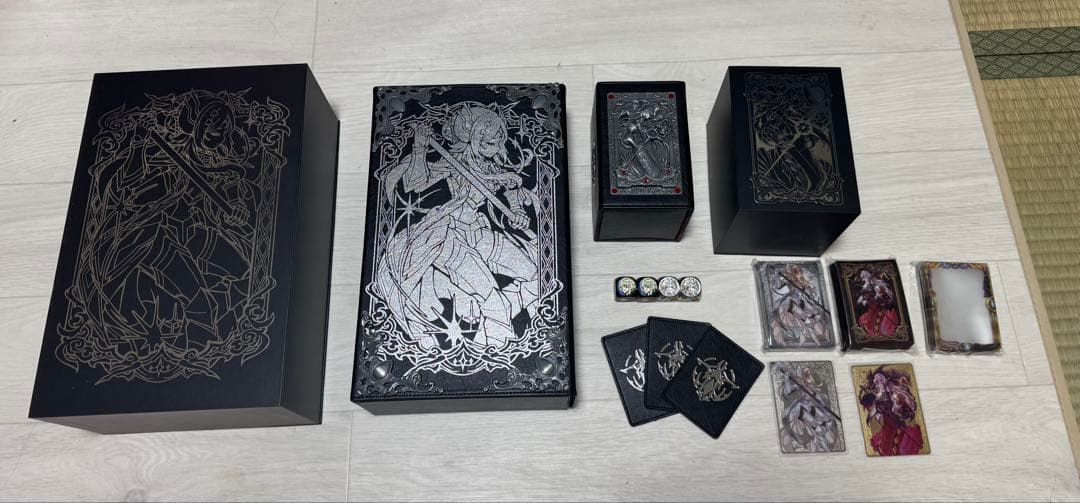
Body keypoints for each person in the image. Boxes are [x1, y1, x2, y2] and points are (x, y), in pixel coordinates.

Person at [374, 103, 539, 351]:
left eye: (498, 142)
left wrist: (518, 214)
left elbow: (511, 190)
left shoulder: (490, 166)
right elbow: (414, 184)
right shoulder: (450, 163)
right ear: (472, 138)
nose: (497, 148)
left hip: (478, 231)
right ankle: (495, 351)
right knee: (494, 302)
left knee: (535, 276)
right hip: (449, 236)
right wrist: (419, 149)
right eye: (490, 143)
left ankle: (488, 326)